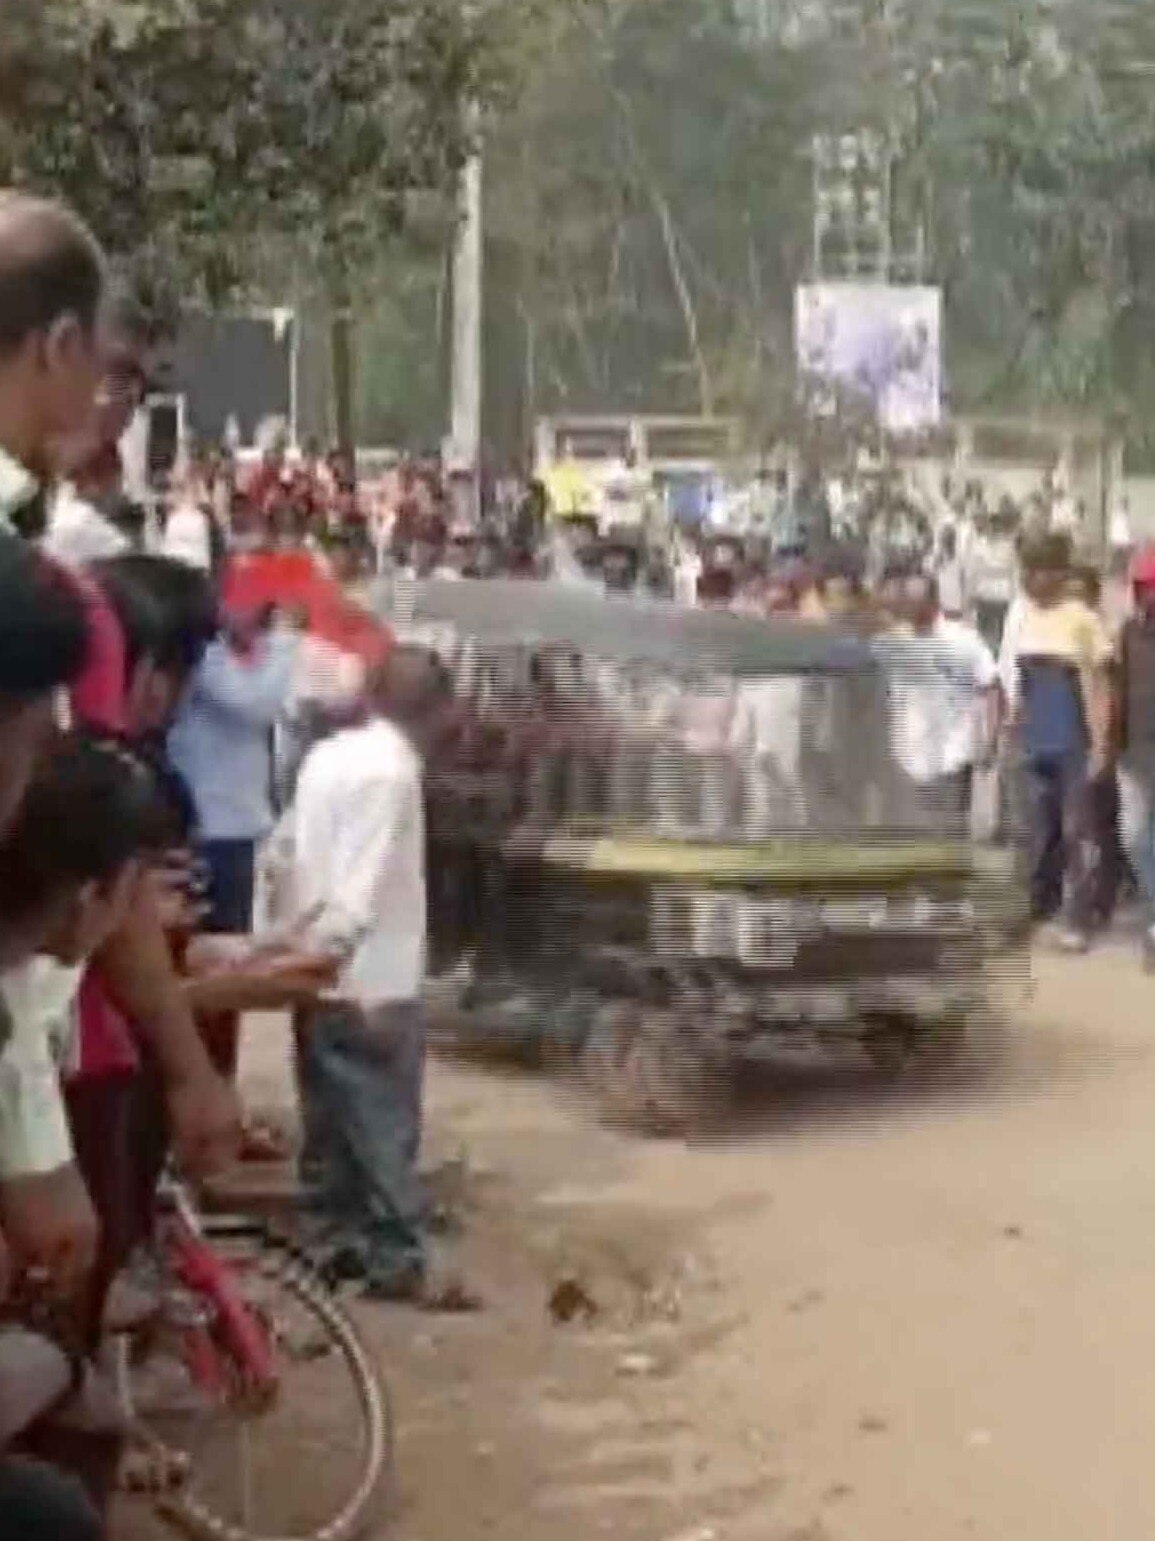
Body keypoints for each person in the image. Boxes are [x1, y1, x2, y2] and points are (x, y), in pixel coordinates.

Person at [291, 647, 474, 1308]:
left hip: (312, 970)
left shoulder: (326, 756)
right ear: (438, 709)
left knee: (329, 1127)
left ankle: (326, 1250)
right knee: (381, 1126)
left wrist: (289, 956)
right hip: (373, 980)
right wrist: (345, 968)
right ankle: (397, 1256)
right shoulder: (392, 774)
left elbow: (292, 855)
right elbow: (359, 890)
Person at [1001, 535, 1113, 951]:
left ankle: (1078, 920)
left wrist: (1100, 745)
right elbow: (1023, 685)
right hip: (1034, 742)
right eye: (1026, 571)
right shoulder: (1024, 616)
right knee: (1036, 833)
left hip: (1073, 744)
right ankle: (1036, 910)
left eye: (1040, 570)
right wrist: (1011, 728)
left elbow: (1099, 687)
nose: (1031, 579)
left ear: (1060, 574)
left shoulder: (1081, 618)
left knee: (1076, 834)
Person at [882, 574, 1001, 835]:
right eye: (906, 600)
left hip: (951, 755)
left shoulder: (962, 639)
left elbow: (991, 685)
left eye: (914, 599)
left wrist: (989, 739)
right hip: (908, 757)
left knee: (946, 838)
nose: (908, 606)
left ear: (931, 601)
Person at [1114, 547, 1155, 964]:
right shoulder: (1128, 633)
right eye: (1144, 587)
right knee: (1135, 838)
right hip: (1135, 753)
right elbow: (1116, 690)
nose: (1148, 595)